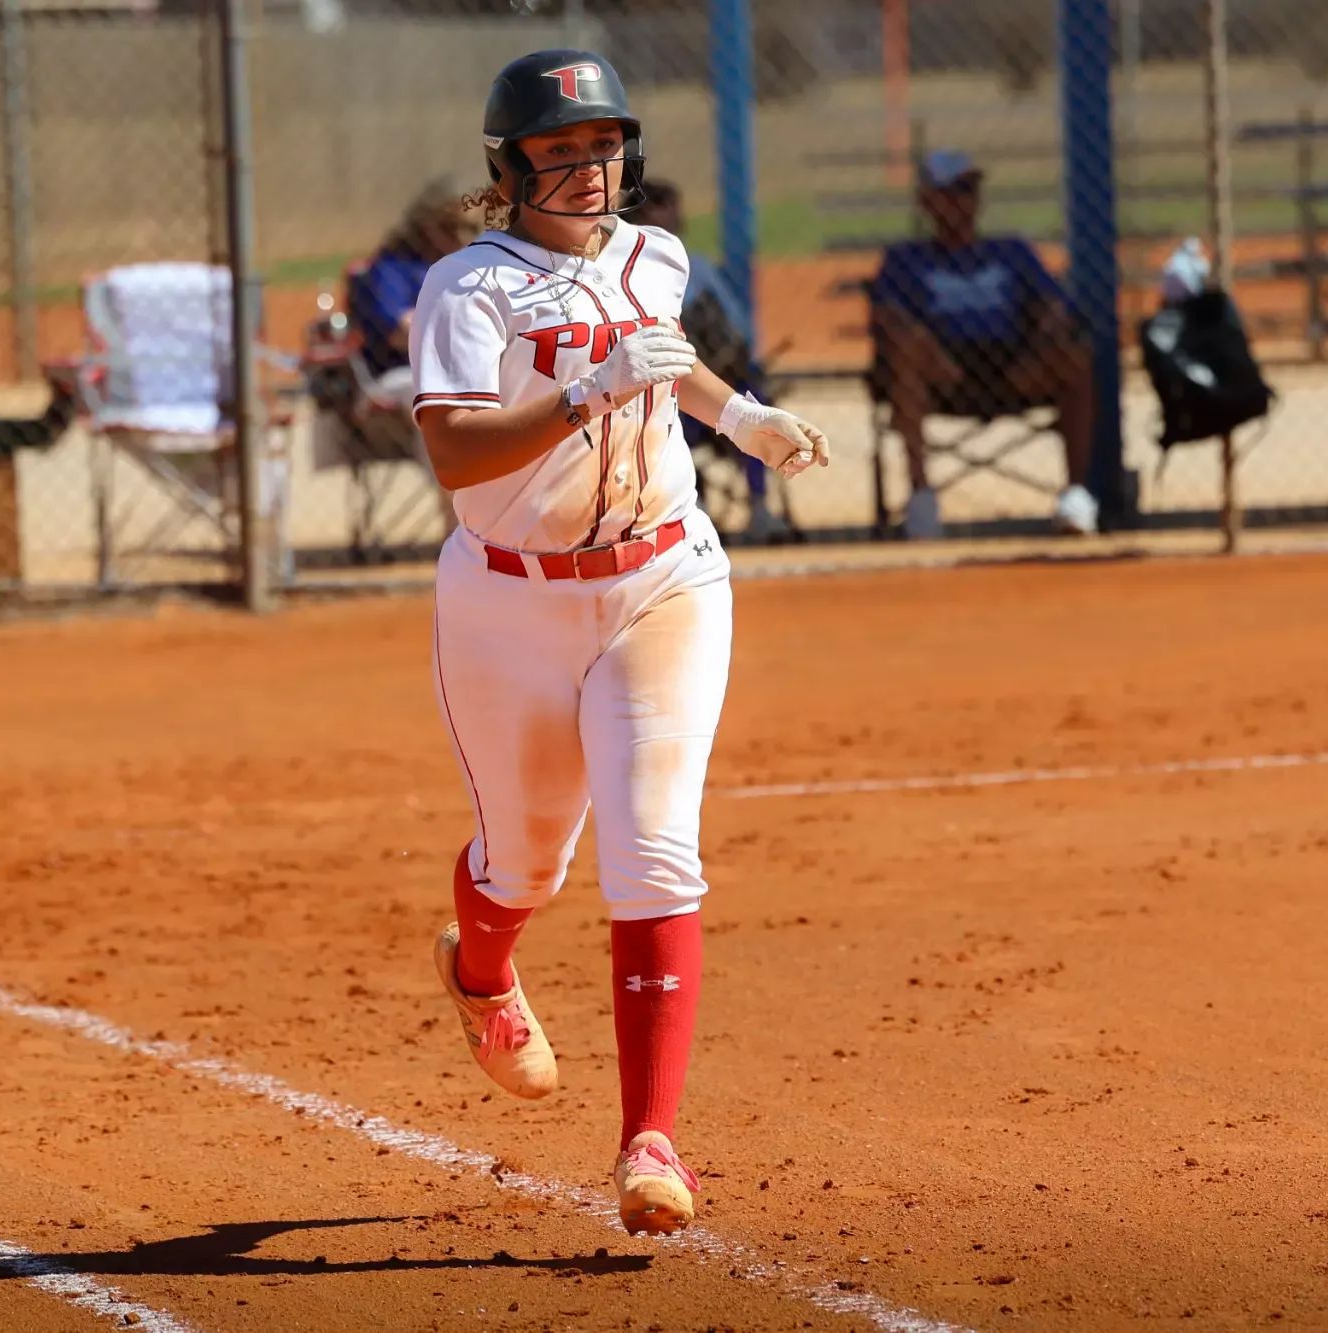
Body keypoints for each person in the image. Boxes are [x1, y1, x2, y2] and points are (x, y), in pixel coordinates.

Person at [408, 49, 830, 1237]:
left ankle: (652, 1141)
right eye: (558, 148)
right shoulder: (468, 288)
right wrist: (591, 388)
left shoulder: (657, 255)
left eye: (601, 146)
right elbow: (455, 455)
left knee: (652, 851)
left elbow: (663, 360)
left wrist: (738, 415)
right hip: (509, 603)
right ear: (510, 165)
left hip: (661, 576)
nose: (586, 168)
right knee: (524, 865)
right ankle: (480, 966)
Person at [869, 149, 1098, 539]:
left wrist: (1050, 324)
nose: (965, 199)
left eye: (970, 189)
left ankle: (1076, 497)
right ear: (927, 200)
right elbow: (887, 317)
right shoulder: (905, 259)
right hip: (944, 372)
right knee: (906, 348)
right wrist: (912, 337)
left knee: (1073, 353)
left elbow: (1053, 304)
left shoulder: (1010, 251)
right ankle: (922, 501)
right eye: (954, 190)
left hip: (1011, 365)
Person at [629, 178, 785, 541]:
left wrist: (726, 359)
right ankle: (687, 510)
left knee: (750, 399)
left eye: (668, 206)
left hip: (710, 379)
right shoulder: (623, 274)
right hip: (656, 390)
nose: (663, 215)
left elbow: (739, 332)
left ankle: (761, 507)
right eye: (652, 206)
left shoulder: (696, 268)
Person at [349, 178, 476, 405]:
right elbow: (403, 334)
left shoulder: (464, 266)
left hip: (464, 366)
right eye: (449, 227)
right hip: (400, 373)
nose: (461, 237)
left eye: (468, 228)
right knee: (435, 395)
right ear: (426, 226)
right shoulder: (392, 267)